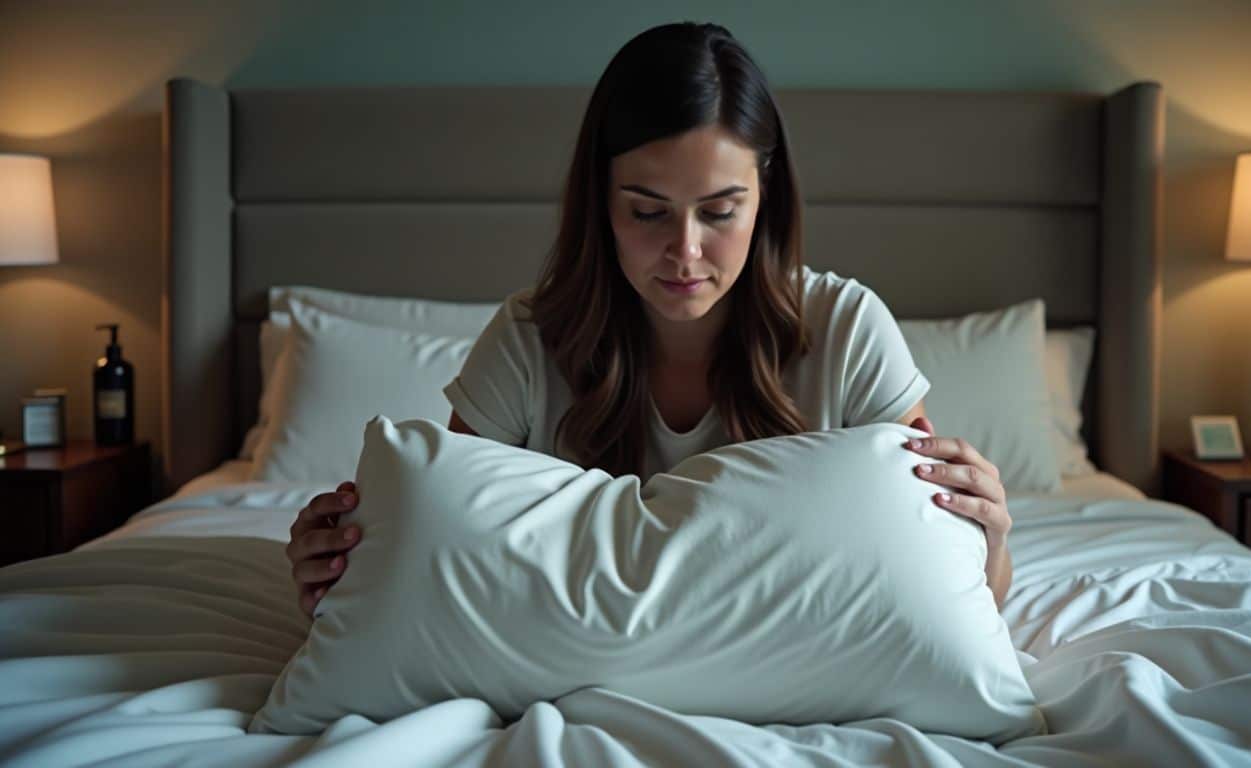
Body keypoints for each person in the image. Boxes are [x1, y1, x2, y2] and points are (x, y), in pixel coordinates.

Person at [285, 22, 1012, 618]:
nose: (686, 252)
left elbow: (953, 592)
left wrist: (994, 542)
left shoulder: (847, 328)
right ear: (601, 202)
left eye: (721, 212)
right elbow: (433, 555)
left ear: (765, 199)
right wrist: (345, 563)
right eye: (648, 211)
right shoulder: (531, 339)